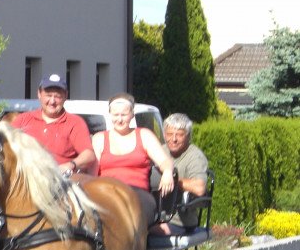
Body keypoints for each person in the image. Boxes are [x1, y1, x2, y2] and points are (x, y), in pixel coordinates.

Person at [92, 92, 174, 226]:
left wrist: (167, 172)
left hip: (138, 194)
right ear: (110, 115)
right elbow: (92, 171)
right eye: (115, 115)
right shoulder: (99, 139)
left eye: (123, 115)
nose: (119, 119)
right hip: (107, 193)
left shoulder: (144, 135)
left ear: (131, 115)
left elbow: (165, 161)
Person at [11, 73, 96, 175]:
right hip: (25, 178)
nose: (52, 101)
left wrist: (70, 165)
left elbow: (89, 155)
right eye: (48, 95)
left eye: (57, 96)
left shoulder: (75, 123)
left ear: (65, 96)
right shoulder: (23, 120)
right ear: (39, 94)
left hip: (59, 180)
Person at [151, 113, 209, 235]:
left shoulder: (194, 156)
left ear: (188, 136)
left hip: (179, 221)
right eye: (169, 134)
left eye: (179, 135)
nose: (174, 139)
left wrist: (173, 180)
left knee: (143, 232)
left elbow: (199, 188)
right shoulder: (160, 151)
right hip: (154, 215)